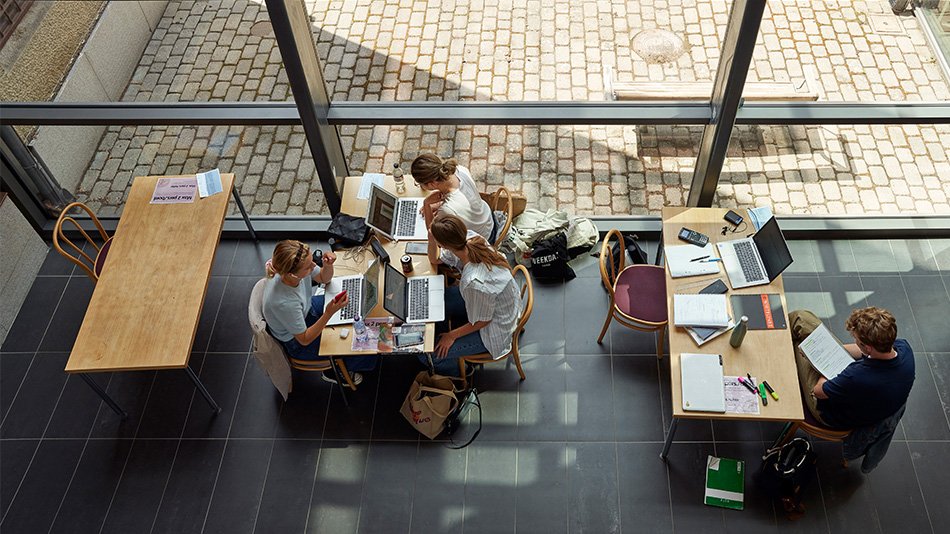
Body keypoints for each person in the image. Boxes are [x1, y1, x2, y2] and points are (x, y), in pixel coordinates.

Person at [418, 214, 522, 377]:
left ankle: (461, 373)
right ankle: (441, 328)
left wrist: (451, 336)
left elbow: (483, 321)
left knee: (430, 355)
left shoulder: (473, 283)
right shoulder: (470, 238)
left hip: (493, 329)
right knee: (436, 297)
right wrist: (432, 239)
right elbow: (435, 259)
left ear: (444, 244)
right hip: (495, 302)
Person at [263, 240, 377, 384]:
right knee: (362, 345)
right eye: (309, 267)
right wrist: (328, 313)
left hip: (305, 311)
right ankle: (334, 371)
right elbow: (304, 339)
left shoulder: (292, 269)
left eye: (312, 261)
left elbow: (324, 278)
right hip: (297, 342)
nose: (314, 266)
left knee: (355, 307)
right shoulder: (284, 303)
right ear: (292, 275)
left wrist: (328, 265)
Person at [791, 307, 915, 429]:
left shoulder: (857, 376)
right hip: (866, 403)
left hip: (829, 413)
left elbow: (818, 391)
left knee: (799, 343)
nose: (854, 340)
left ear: (867, 347)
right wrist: (830, 349)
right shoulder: (904, 348)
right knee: (801, 317)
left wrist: (823, 363)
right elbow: (861, 351)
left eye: (856, 339)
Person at [411, 153, 497, 243]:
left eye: (419, 184)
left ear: (432, 184)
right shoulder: (460, 170)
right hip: (487, 217)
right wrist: (440, 204)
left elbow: (432, 232)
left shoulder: (448, 210)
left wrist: (427, 204)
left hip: (482, 239)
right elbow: (461, 201)